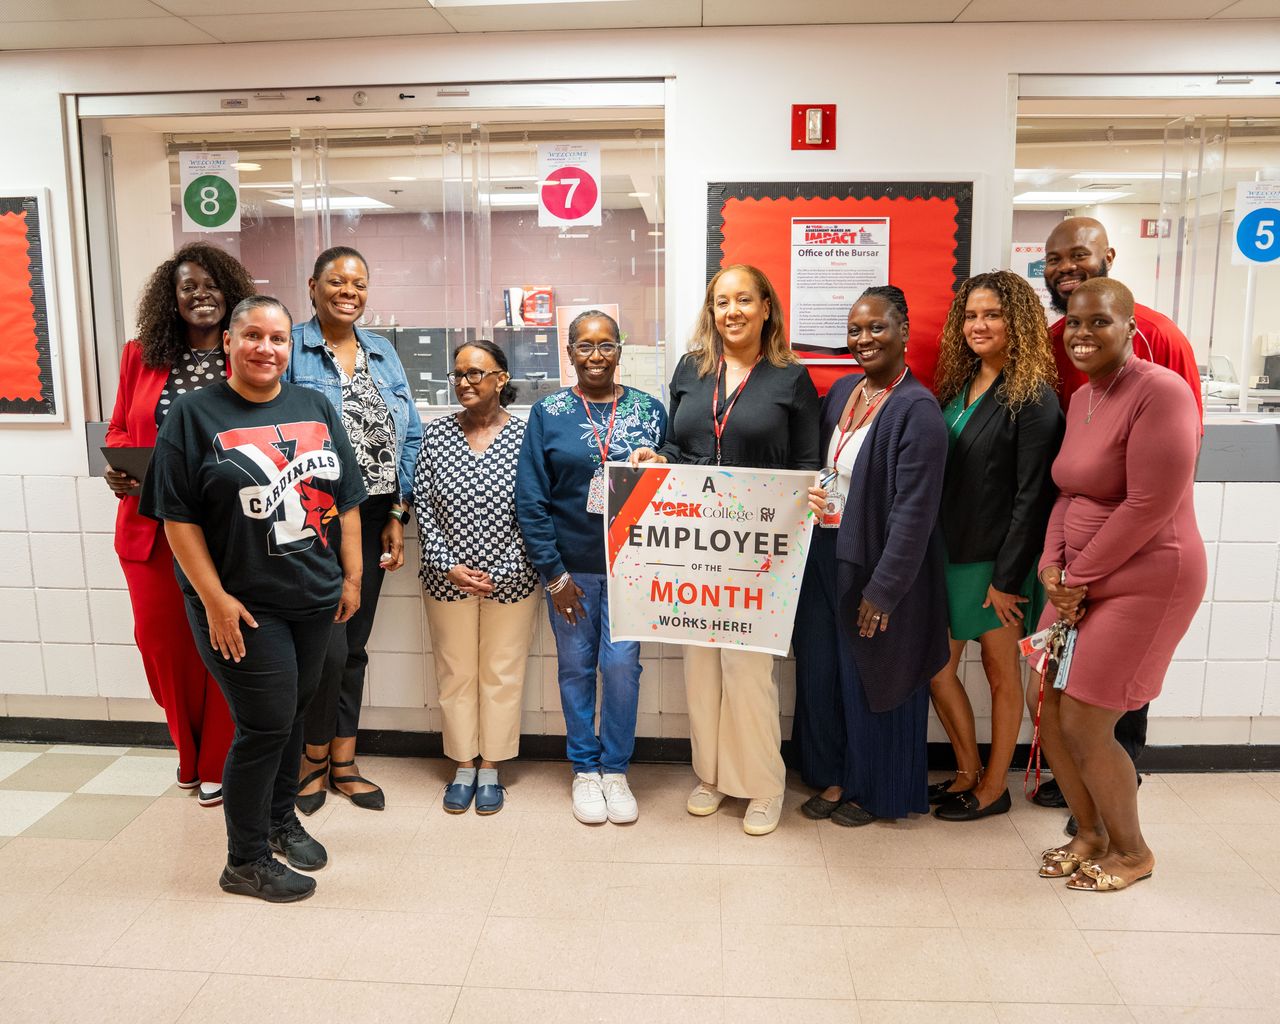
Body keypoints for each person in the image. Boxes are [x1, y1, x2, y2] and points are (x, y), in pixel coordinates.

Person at [141, 295, 367, 903]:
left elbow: (346, 497)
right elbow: (178, 518)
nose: (266, 348)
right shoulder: (193, 414)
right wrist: (213, 599)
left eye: (278, 338)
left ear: (291, 348)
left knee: (293, 712)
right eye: (252, 336)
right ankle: (244, 860)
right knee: (265, 723)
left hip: (313, 594)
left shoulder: (314, 405)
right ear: (229, 342)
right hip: (240, 603)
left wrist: (351, 577)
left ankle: (279, 820)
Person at [630, 265, 820, 836]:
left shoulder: (791, 378)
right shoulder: (691, 369)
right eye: (721, 302)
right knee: (701, 666)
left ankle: (763, 784)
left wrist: (812, 498)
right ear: (711, 311)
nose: (731, 311)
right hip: (696, 544)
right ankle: (711, 775)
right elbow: (676, 443)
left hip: (758, 548)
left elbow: (807, 465)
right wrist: (656, 458)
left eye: (743, 300)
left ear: (766, 308)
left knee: (748, 669)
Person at [1032, 278, 1205, 892]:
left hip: (1149, 579)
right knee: (1046, 703)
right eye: (1075, 323)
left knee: (1085, 717)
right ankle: (1090, 834)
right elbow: (1068, 491)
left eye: (1099, 322)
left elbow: (1148, 505)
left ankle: (1133, 851)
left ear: (1130, 328)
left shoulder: (1162, 392)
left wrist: (1075, 578)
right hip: (1078, 579)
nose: (1083, 334)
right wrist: (1051, 568)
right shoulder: (1083, 397)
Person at [106, 242, 255, 809]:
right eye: (188, 286)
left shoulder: (244, 353)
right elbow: (120, 429)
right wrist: (118, 467)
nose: (201, 296)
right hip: (151, 528)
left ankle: (216, 761)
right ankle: (186, 753)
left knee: (227, 642)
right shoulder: (140, 355)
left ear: (230, 294)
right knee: (163, 645)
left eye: (212, 285)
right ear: (171, 298)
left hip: (229, 532)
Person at [793, 286, 949, 826]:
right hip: (824, 552)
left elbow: (915, 514)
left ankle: (873, 789)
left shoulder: (917, 410)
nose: (864, 339)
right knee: (827, 673)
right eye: (855, 330)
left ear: (904, 331)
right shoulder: (843, 391)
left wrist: (883, 591)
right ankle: (837, 774)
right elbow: (823, 465)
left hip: (878, 565)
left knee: (872, 677)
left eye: (877, 327)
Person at [285, 246, 423, 814]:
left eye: (359, 284)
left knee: (354, 646)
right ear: (313, 286)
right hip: (310, 520)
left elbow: (410, 434)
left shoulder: (382, 352)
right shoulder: (290, 347)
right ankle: (311, 759)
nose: (350, 292)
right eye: (337, 281)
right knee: (327, 648)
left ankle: (344, 760)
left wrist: (397, 512)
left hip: (372, 515)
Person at [516, 310, 667, 825]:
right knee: (576, 667)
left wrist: (659, 460)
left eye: (606, 345)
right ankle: (584, 769)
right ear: (570, 352)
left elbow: (673, 481)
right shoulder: (549, 413)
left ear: (620, 350)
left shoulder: (650, 410)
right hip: (571, 571)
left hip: (633, 566)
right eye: (585, 345)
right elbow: (531, 499)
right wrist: (553, 573)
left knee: (621, 668)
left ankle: (616, 770)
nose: (596, 355)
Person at [927, 272, 1063, 822]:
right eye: (971, 316)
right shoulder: (960, 386)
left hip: (996, 564)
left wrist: (1007, 579)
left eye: (993, 315)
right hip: (948, 554)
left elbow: (1034, 497)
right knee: (937, 669)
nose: (978, 325)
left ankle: (993, 787)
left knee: (1001, 673)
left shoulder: (1034, 399)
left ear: (1019, 323)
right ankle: (966, 772)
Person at [415, 339, 538, 815]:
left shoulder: (527, 435)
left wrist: (504, 568)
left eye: (475, 373)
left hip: (513, 578)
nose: (463, 382)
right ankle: (464, 763)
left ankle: (491, 766)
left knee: (502, 673)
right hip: (447, 578)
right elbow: (424, 504)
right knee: (456, 673)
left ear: (501, 379)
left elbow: (536, 508)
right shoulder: (437, 434)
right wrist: (446, 563)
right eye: (458, 374)